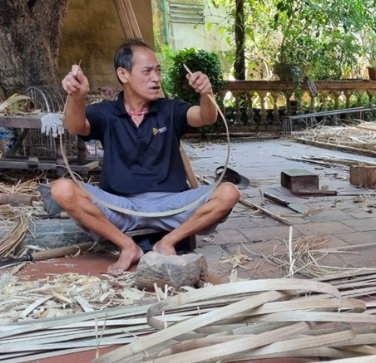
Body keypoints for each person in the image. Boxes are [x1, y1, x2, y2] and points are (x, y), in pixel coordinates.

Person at [53, 38, 239, 275]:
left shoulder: (170, 109)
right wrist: (78, 97)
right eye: (148, 71)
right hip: (120, 206)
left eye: (158, 70)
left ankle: (168, 242)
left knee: (229, 192)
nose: (156, 78)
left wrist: (207, 93)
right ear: (124, 74)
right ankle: (128, 246)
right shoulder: (107, 111)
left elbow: (205, 116)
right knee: (62, 190)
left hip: (171, 205)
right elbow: (75, 125)